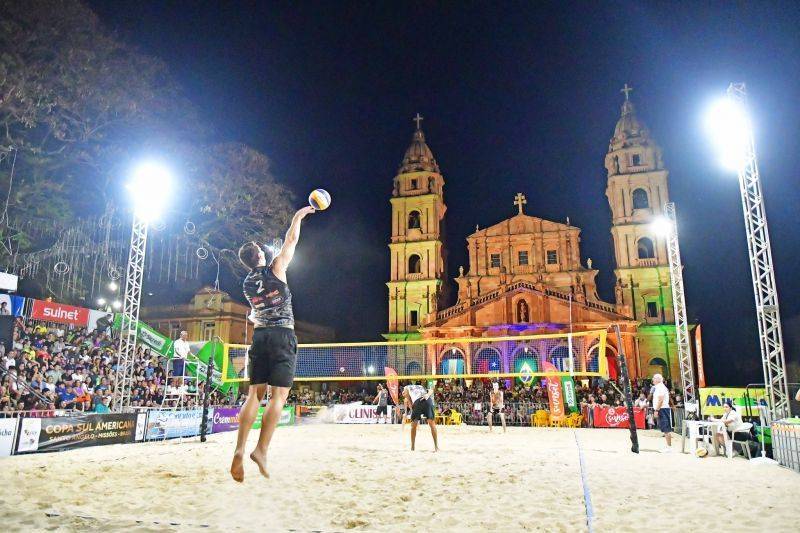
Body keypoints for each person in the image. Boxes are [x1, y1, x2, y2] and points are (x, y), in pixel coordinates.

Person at [230, 206, 315, 482]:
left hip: (260, 336)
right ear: (260, 254)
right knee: (279, 397)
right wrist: (297, 218)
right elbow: (291, 241)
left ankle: (240, 449)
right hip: (281, 336)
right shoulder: (276, 268)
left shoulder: (246, 284)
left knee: (254, 395)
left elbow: (255, 313)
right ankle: (261, 451)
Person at [403, 383, 439, 451]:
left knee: (413, 425)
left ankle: (412, 447)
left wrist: (411, 409)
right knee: (432, 424)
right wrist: (427, 395)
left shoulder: (406, 387)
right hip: (428, 400)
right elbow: (431, 389)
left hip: (417, 402)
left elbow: (409, 402)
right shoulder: (421, 387)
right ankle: (436, 447)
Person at [651, 373, 672, 452]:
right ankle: (667, 446)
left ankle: (669, 447)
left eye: (654, 378)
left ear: (659, 379)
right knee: (664, 428)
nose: (653, 379)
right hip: (661, 409)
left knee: (666, 428)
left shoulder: (661, 387)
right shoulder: (658, 387)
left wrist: (656, 410)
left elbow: (661, 400)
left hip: (662, 409)